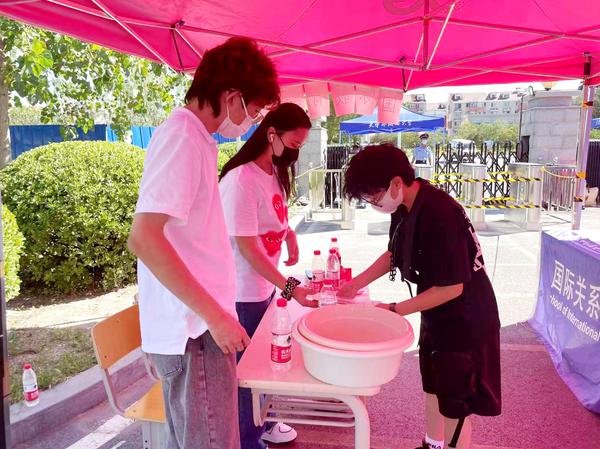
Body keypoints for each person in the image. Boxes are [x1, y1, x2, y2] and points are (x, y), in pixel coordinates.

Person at [127, 37, 280, 449]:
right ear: (231, 97)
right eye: (254, 110)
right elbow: (144, 237)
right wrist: (215, 316)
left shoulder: (193, 137)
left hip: (199, 329)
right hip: (194, 334)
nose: (252, 121)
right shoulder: (182, 136)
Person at [338, 143, 501, 449]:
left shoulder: (440, 213)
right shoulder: (405, 206)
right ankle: (431, 444)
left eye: (374, 197)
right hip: (436, 309)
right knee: (434, 385)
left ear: (396, 183)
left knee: (455, 402)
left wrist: (395, 309)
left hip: (464, 319)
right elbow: (394, 253)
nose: (374, 204)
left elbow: (452, 287)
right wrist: (355, 283)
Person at [219, 103, 315, 449]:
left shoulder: (271, 171)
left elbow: (272, 217)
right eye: (294, 143)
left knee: (266, 365)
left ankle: (266, 423)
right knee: (247, 376)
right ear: (271, 134)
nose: (295, 151)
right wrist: (291, 287)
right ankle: (248, 441)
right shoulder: (240, 180)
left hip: (264, 289)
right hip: (243, 295)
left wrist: (289, 234)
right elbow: (247, 249)